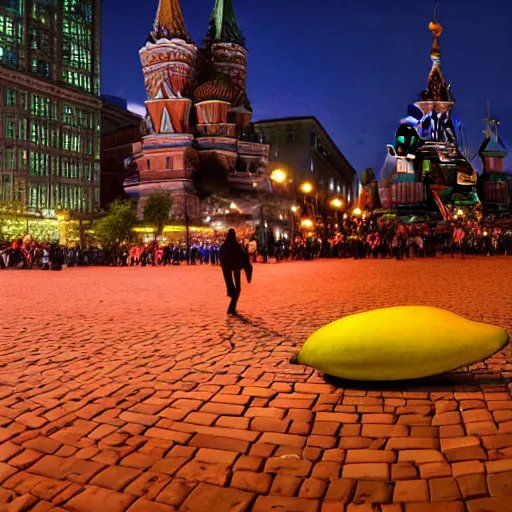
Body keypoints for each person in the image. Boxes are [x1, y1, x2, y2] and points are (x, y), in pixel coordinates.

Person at [220, 229, 253, 315]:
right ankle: (232, 306)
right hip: (236, 268)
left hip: (228, 269)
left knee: (232, 288)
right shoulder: (236, 246)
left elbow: (221, 257)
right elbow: (244, 256)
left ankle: (232, 306)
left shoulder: (224, 246)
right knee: (237, 288)